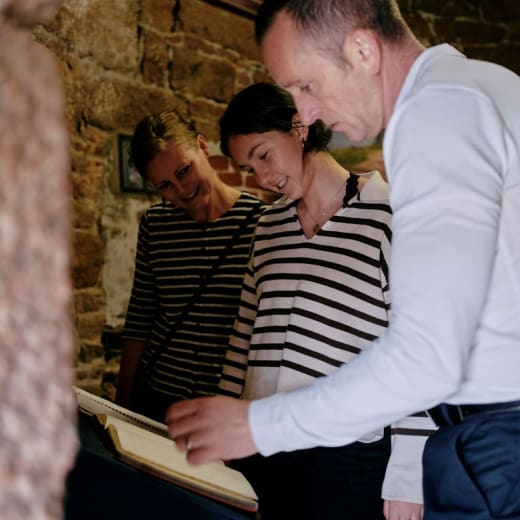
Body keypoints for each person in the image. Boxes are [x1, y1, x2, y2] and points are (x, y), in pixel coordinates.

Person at [166, 2, 520, 519]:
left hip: (493, 437)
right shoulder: (480, 88)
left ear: (361, 49)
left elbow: (426, 353)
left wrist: (256, 426)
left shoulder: (439, 113)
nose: (305, 114)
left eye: (305, 86)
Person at [215, 82, 435, 520]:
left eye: (263, 155)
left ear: (299, 128)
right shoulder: (267, 227)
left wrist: (408, 476)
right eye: (247, 168)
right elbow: (243, 337)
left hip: (346, 457)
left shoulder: (391, 218)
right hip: (264, 444)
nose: (261, 178)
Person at [115, 110, 265, 422]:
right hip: (158, 398)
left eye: (184, 171)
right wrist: (123, 405)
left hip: (223, 408)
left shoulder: (262, 223)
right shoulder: (155, 226)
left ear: (202, 146)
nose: (182, 191)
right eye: (165, 186)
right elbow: (141, 317)